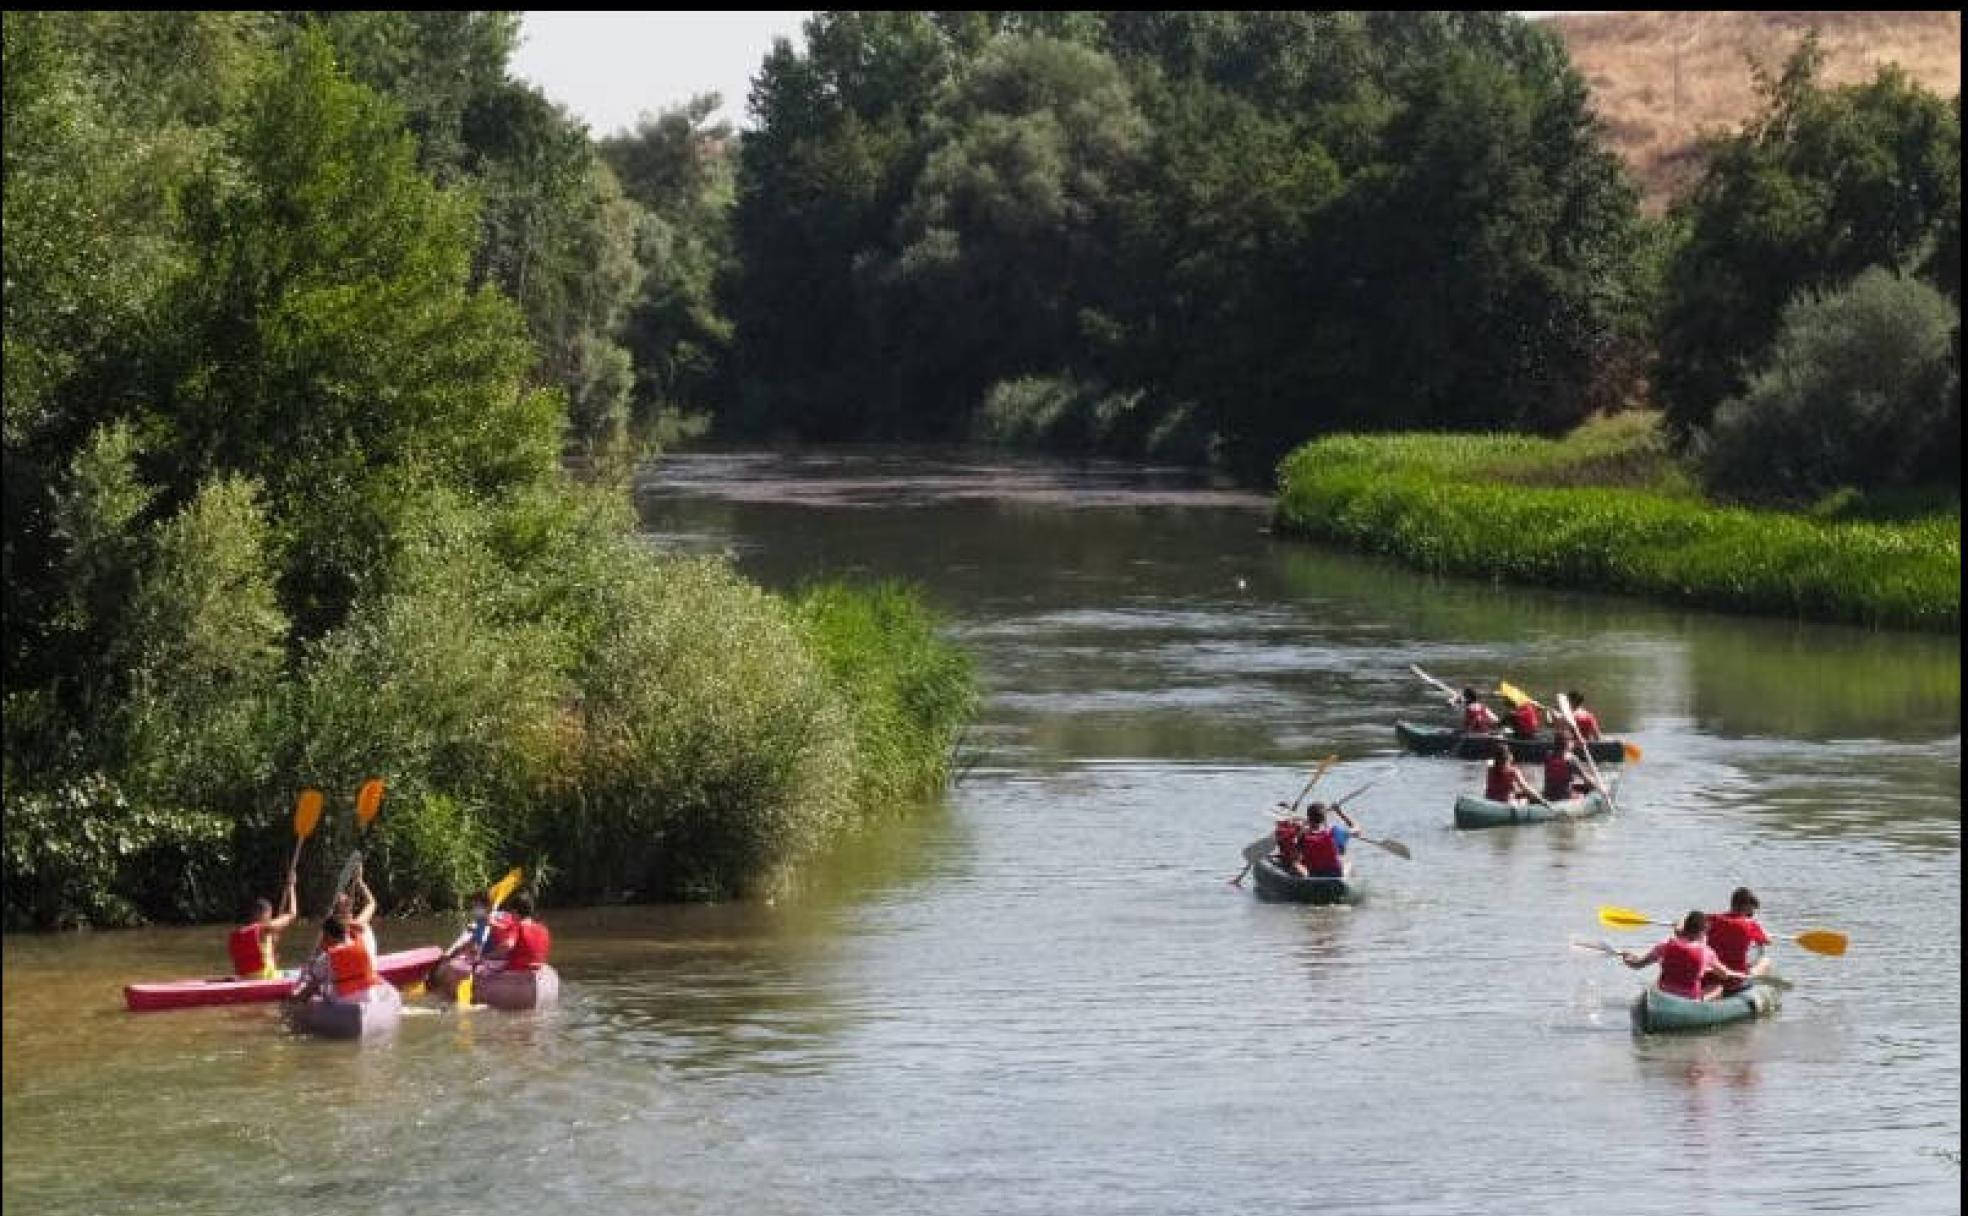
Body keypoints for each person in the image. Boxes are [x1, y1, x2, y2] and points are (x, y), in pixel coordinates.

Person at [1620, 911, 1749, 1001]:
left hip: (1664, 995)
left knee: (1657, 982)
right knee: (1718, 987)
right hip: (1689, 999)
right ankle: (1700, 1005)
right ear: (1702, 931)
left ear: (1685, 928)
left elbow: (1637, 965)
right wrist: (1738, 974)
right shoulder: (1707, 952)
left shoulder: (1665, 945)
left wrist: (1627, 958)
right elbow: (1724, 975)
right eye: (1706, 932)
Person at [289, 915, 388, 1005]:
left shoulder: (327, 958)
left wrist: (295, 999)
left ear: (328, 936)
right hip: (369, 1001)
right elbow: (364, 926)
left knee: (314, 996)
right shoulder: (365, 945)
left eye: (325, 936)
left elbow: (312, 985)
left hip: (342, 1005)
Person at [228, 870, 298, 980]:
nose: (270, 919)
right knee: (301, 974)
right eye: (269, 915)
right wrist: (291, 887)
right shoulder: (265, 928)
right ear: (264, 914)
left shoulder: (239, 933)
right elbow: (292, 914)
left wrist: (271, 950)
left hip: (244, 979)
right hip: (265, 978)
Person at [1705, 887, 1773, 993]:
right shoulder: (1750, 924)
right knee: (1765, 961)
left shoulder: (1712, 919)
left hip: (1711, 975)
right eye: (1752, 908)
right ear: (1746, 906)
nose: (1753, 912)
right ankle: (1754, 984)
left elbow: (1687, 924)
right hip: (1735, 980)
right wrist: (1764, 934)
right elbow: (1768, 941)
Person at [481, 893, 550, 973]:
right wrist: (494, 924)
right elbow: (515, 932)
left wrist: (487, 956)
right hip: (537, 967)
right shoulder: (542, 928)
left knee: (482, 966)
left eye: (511, 912)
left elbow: (508, 945)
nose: (510, 914)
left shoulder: (517, 927)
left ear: (515, 911)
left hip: (518, 969)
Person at [1292, 802, 1355, 879]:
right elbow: (1356, 829)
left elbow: (1296, 858)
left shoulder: (1302, 836)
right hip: (1336, 874)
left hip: (1314, 874)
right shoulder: (1335, 831)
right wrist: (1340, 813)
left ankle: (1307, 877)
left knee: (1296, 863)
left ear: (1309, 818)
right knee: (1348, 863)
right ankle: (1347, 879)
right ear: (1324, 818)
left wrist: (1304, 824)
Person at [329, 867, 380, 960]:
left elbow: (371, 903)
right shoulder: (359, 924)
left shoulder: (330, 930)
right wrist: (359, 881)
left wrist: (358, 880)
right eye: (345, 902)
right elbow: (371, 903)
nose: (348, 899)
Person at [1541, 733, 1590, 801]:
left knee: (1574, 786)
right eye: (1572, 741)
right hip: (1564, 796)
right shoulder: (1572, 759)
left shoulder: (1548, 756)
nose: (1573, 743)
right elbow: (1586, 779)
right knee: (1587, 789)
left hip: (1547, 795)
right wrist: (1598, 786)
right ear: (1567, 743)